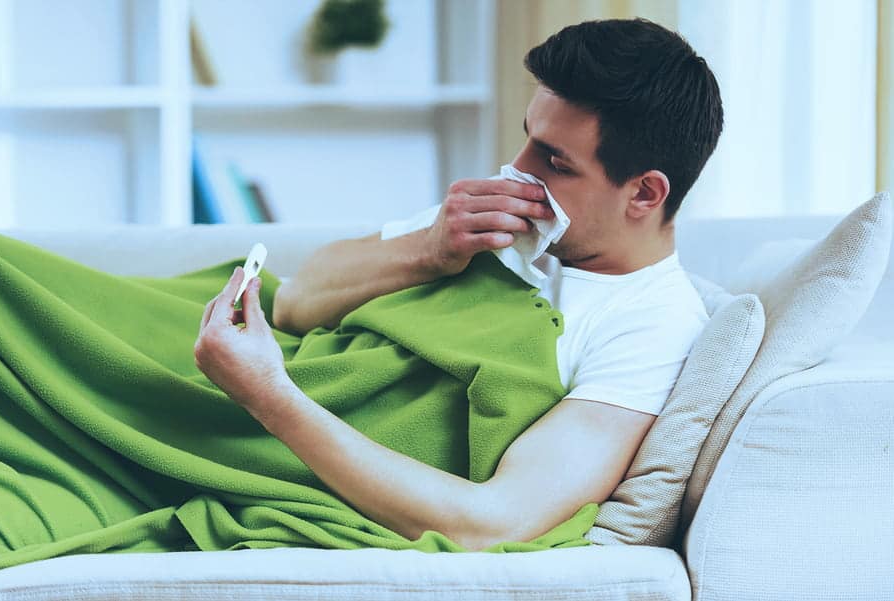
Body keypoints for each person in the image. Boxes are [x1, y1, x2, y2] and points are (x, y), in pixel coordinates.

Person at [194, 17, 724, 552]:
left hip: (246, 430)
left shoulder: (653, 328)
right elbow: (294, 302)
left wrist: (266, 394)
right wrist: (429, 248)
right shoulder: (490, 225)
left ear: (645, 194)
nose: (515, 171)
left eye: (555, 162)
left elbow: (491, 521)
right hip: (220, 373)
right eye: (526, 140)